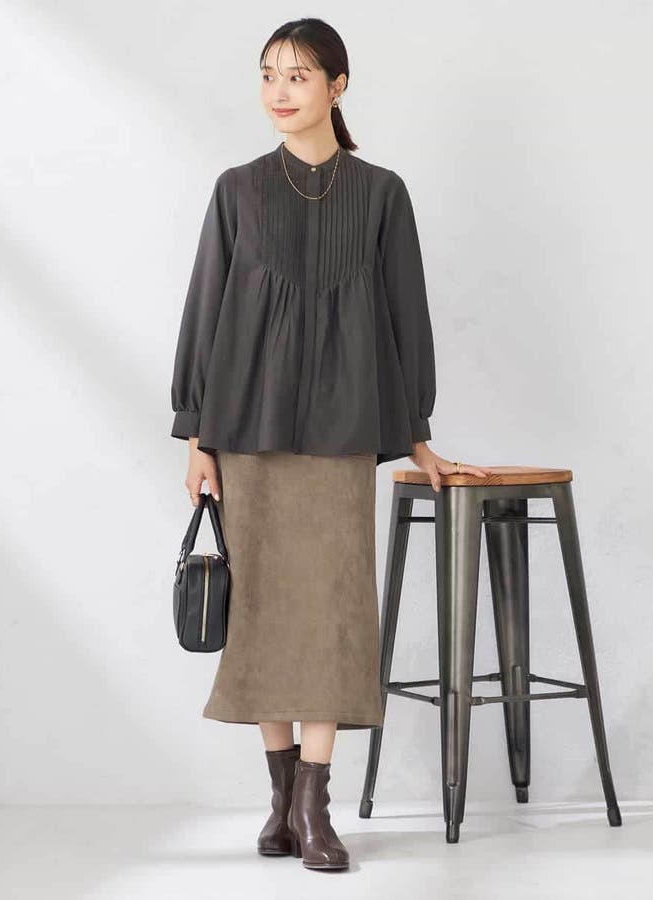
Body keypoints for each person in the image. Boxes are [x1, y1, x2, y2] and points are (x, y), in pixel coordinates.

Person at [169, 19, 487, 871]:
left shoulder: (381, 193)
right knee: (261, 608)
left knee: (335, 608)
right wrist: (196, 435)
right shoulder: (238, 189)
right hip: (246, 429)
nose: (279, 92)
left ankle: (315, 804)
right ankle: (280, 801)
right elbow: (205, 311)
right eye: (268, 74)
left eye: (299, 76)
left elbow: (405, 315)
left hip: (344, 431)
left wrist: (417, 435)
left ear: (338, 86)